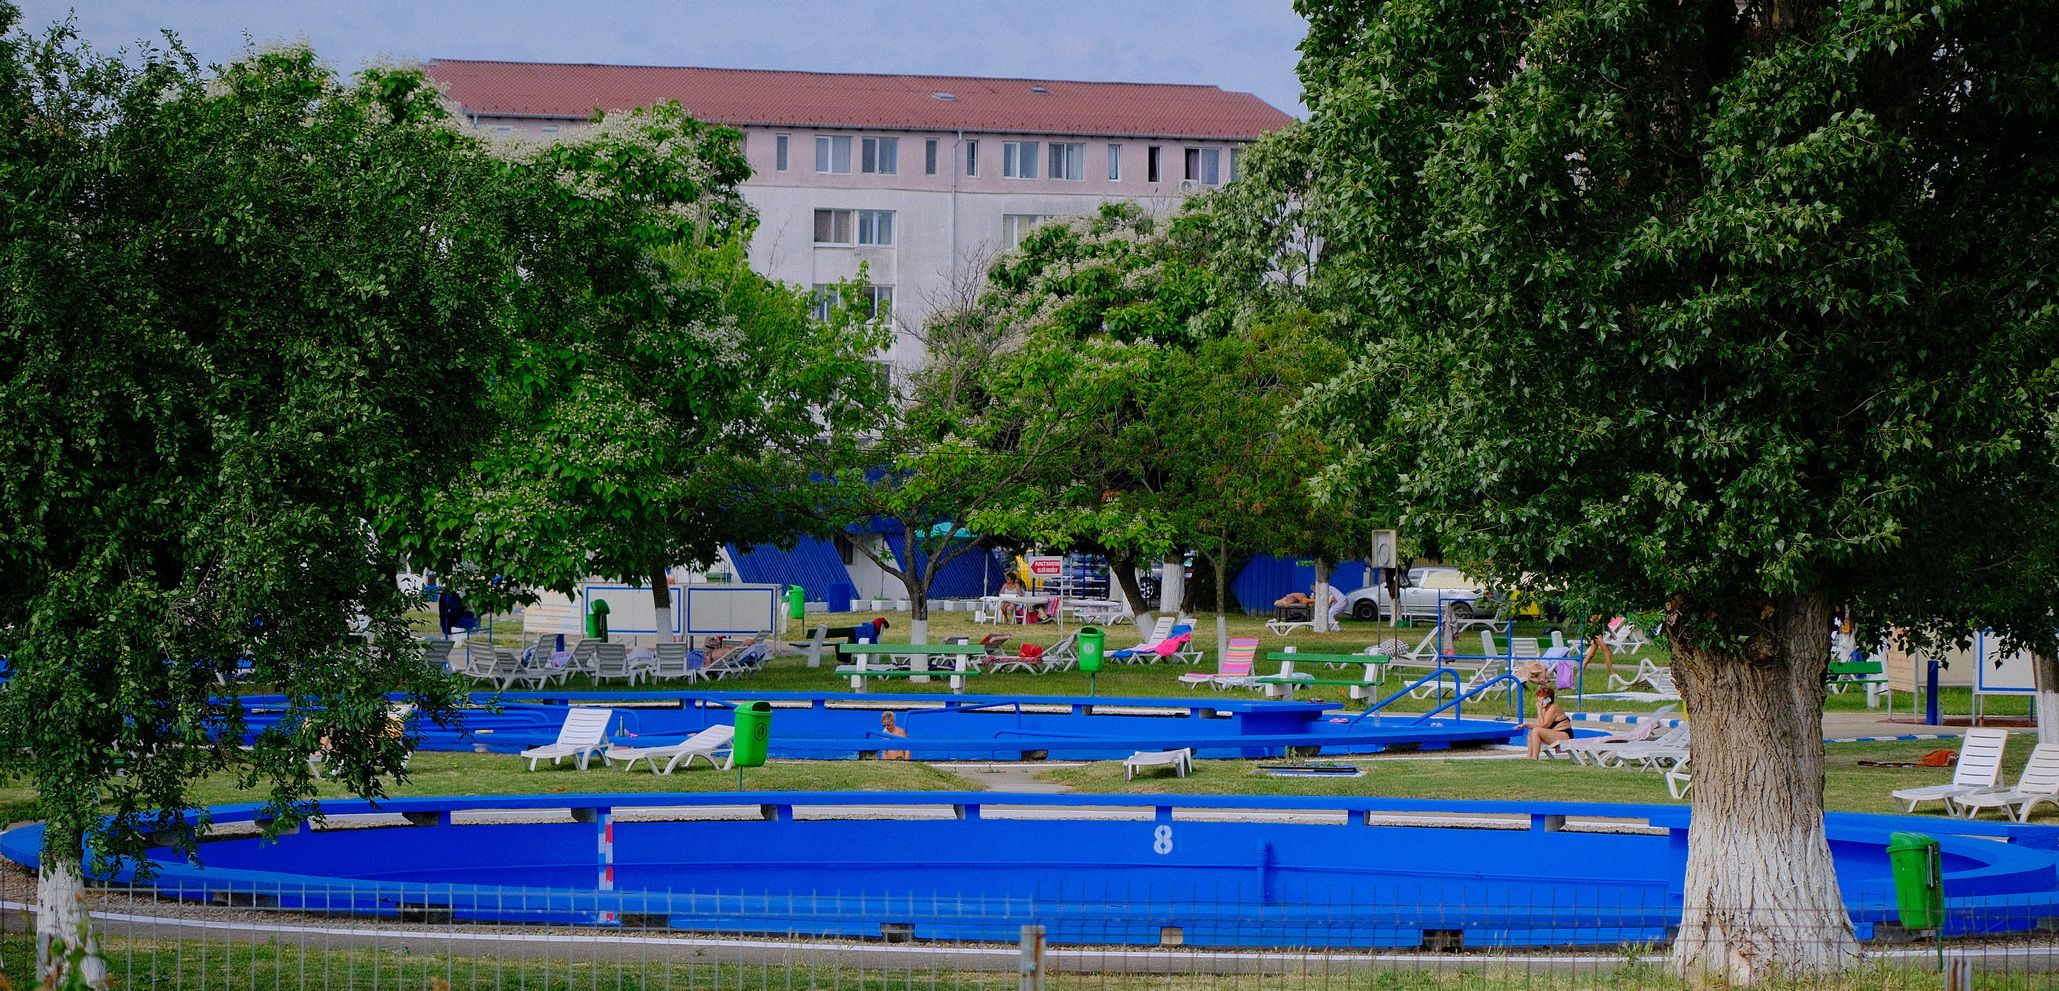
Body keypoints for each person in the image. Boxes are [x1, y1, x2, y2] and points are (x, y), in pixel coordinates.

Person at [1519, 685, 1575, 759]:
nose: (1537, 699)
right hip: (1555, 733)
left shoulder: (1554, 708)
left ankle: (1534, 758)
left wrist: (1539, 709)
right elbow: (1540, 724)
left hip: (1564, 735)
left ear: (1547, 699)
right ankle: (1529, 757)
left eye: (1539, 697)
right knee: (1531, 731)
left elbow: (1543, 726)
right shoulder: (1544, 709)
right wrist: (1526, 725)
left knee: (1536, 731)